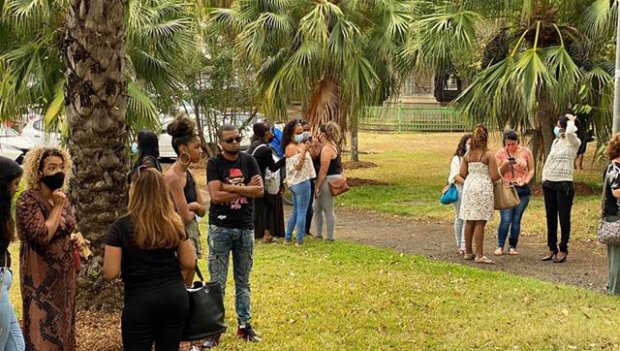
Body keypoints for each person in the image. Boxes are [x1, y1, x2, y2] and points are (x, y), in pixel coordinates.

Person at [103, 167, 195, 351]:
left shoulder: (120, 227)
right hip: (174, 298)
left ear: (134, 191)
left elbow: (111, 273)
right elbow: (189, 262)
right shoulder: (174, 222)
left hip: (140, 301)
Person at [207, 124, 264, 343]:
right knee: (217, 282)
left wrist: (229, 188)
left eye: (238, 139)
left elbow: (259, 191)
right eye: (229, 140)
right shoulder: (214, 163)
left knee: (243, 281)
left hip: (245, 227)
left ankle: (244, 326)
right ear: (220, 142)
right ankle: (214, 330)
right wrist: (245, 188)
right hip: (220, 227)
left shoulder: (249, 160)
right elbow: (215, 197)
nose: (235, 143)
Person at [16, 147, 77, 351]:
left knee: (65, 329)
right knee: (41, 331)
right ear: (38, 171)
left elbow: (68, 227)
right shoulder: (28, 201)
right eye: (51, 167)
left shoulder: (62, 197)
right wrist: (57, 206)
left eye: (61, 167)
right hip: (40, 279)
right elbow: (42, 234)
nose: (58, 172)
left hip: (65, 278)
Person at [164, 116, 205, 287]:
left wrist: (193, 207)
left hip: (191, 233)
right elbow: (186, 216)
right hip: (178, 236)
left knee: (189, 276)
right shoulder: (173, 177)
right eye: (196, 147)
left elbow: (202, 209)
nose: (201, 150)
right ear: (183, 149)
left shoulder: (188, 173)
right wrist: (194, 206)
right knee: (182, 277)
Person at [541, 114, 581, 263]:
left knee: (563, 218)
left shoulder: (574, 141)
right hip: (549, 182)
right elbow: (550, 159)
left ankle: (563, 248)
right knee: (550, 216)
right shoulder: (556, 142)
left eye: (559, 126)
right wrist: (544, 177)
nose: (556, 128)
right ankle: (552, 247)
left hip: (564, 183)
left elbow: (571, 132)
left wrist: (571, 120)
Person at [458, 125, 500, 264]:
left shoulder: (467, 155)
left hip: (469, 186)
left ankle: (468, 251)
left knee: (470, 220)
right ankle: (480, 254)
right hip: (483, 186)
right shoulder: (488, 155)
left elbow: (462, 174)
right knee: (480, 221)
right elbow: (494, 175)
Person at [494, 130, 534, 256]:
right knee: (506, 219)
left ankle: (513, 245)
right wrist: (505, 165)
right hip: (507, 189)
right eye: (508, 144)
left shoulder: (526, 152)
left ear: (518, 141)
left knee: (516, 219)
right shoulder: (500, 154)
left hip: (522, 188)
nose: (511, 146)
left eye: (513, 144)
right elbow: (496, 173)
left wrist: (526, 181)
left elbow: (532, 169)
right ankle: (500, 245)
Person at [0, 156, 24, 351]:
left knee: (16, 346)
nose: (17, 189)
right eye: (15, 184)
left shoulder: (3, 212)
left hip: (4, 285)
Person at [248, 121, 285, 243]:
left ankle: (260, 234)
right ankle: (265, 234)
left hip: (251, 181)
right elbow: (273, 167)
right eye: (269, 131)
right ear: (265, 133)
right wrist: (286, 158)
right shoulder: (265, 149)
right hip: (259, 182)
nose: (271, 134)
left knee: (259, 207)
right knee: (267, 205)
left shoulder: (254, 145)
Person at [282, 119, 316, 245]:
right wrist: (304, 151)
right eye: (298, 132)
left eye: (303, 131)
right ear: (291, 134)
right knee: (302, 211)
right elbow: (298, 166)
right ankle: (299, 239)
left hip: (301, 181)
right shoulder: (291, 148)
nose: (302, 134)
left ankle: (288, 237)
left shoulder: (301, 145)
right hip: (300, 182)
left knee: (296, 211)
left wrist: (307, 148)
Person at [313, 121, 343, 241]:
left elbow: (323, 170)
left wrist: (317, 186)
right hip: (332, 178)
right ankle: (319, 234)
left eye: (320, 134)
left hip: (328, 179)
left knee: (327, 208)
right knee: (317, 207)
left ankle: (330, 236)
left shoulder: (327, 149)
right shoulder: (332, 146)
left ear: (324, 135)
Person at [602, 134, 620, 294]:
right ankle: (615, 289)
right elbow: (616, 192)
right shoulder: (614, 167)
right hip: (615, 214)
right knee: (616, 257)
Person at [448, 133, 471, 255]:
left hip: (471, 190)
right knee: (461, 217)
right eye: (468, 143)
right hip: (460, 189)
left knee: (467, 218)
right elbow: (455, 176)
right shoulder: (457, 159)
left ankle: (464, 244)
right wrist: (468, 183)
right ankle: (461, 244)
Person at [300, 120, 316, 236]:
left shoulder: (312, 143)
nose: (306, 132)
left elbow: (315, 156)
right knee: (300, 208)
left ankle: (306, 230)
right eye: (303, 130)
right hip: (300, 179)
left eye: (307, 130)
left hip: (310, 178)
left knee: (309, 208)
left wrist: (311, 145)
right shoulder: (296, 145)